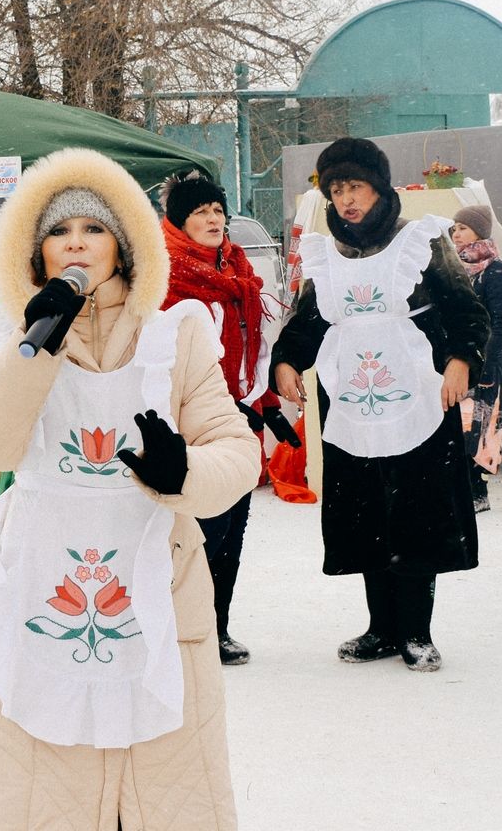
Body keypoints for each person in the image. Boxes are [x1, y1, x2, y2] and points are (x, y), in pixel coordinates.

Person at [0, 148, 260, 830]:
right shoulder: (12, 339)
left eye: (92, 229)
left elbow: (239, 455)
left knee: (170, 797)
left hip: (160, 595)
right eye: (59, 232)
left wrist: (184, 474)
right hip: (44, 595)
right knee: (46, 796)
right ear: (37, 254)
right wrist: (38, 342)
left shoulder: (175, 336)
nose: (76, 243)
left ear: (123, 245)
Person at [272, 137, 488, 672]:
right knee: (366, 517)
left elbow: (467, 310)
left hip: (419, 398)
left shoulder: (422, 241)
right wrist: (286, 361)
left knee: (416, 515)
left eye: (356, 187)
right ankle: (380, 628)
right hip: (352, 404)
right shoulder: (325, 253)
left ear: (379, 188)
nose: (347, 200)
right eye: (337, 190)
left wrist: (462, 359)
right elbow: (309, 321)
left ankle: (416, 631)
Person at [158, 171, 297, 666]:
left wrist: (268, 409)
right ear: (180, 222)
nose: (214, 219)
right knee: (198, 532)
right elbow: (167, 360)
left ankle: (217, 627)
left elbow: (249, 352)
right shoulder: (167, 278)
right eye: (200, 212)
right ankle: (183, 630)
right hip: (194, 425)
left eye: (218, 211)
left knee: (232, 530)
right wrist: (215, 403)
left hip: (242, 419)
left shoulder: (237, 272)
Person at [450, 205, 502, 512]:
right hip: (460, 363)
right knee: (459, 429)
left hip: (485, 364)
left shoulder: (496, 271)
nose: (456, 233)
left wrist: (483, 359)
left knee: (480, 431)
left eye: (462, 227)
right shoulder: (456, 270)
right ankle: (464, 491)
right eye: (454, 228)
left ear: (478, 230)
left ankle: (477, 492)